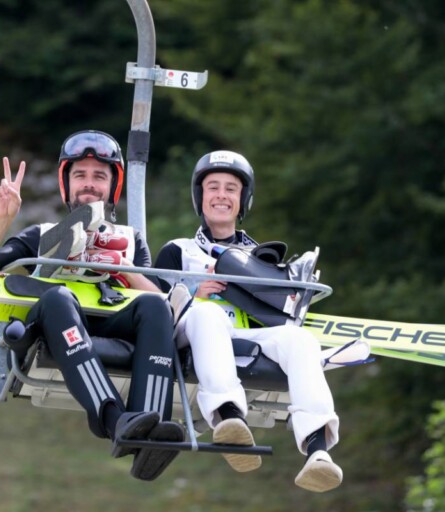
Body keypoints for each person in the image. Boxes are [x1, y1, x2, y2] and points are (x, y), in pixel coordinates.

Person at [0, 130, 184, 481]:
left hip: (113, 320)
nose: (89, 184)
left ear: (112, 186)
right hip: (57, 322)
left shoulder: (129, 240)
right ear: (67, 184)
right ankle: (116, 421)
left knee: (155, 309)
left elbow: (163, 304)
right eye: (80, 175)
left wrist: (118, 268)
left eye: (99, 176)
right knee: (58, 297)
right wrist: (2, 219)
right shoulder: (42, 233)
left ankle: (150, 433)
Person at [155, 150, 362, 492]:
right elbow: (157, 308)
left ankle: (317, 450)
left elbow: (280, 315)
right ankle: (228, 417)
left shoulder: (260, 258)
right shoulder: (177, 251)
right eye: (213, 187)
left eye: (231, 189)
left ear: (243, 199)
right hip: (194, 328)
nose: (221, 195)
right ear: (200, 196)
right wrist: (197, 294)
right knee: (207, 315)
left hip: (245, 334)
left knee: (302, 341)